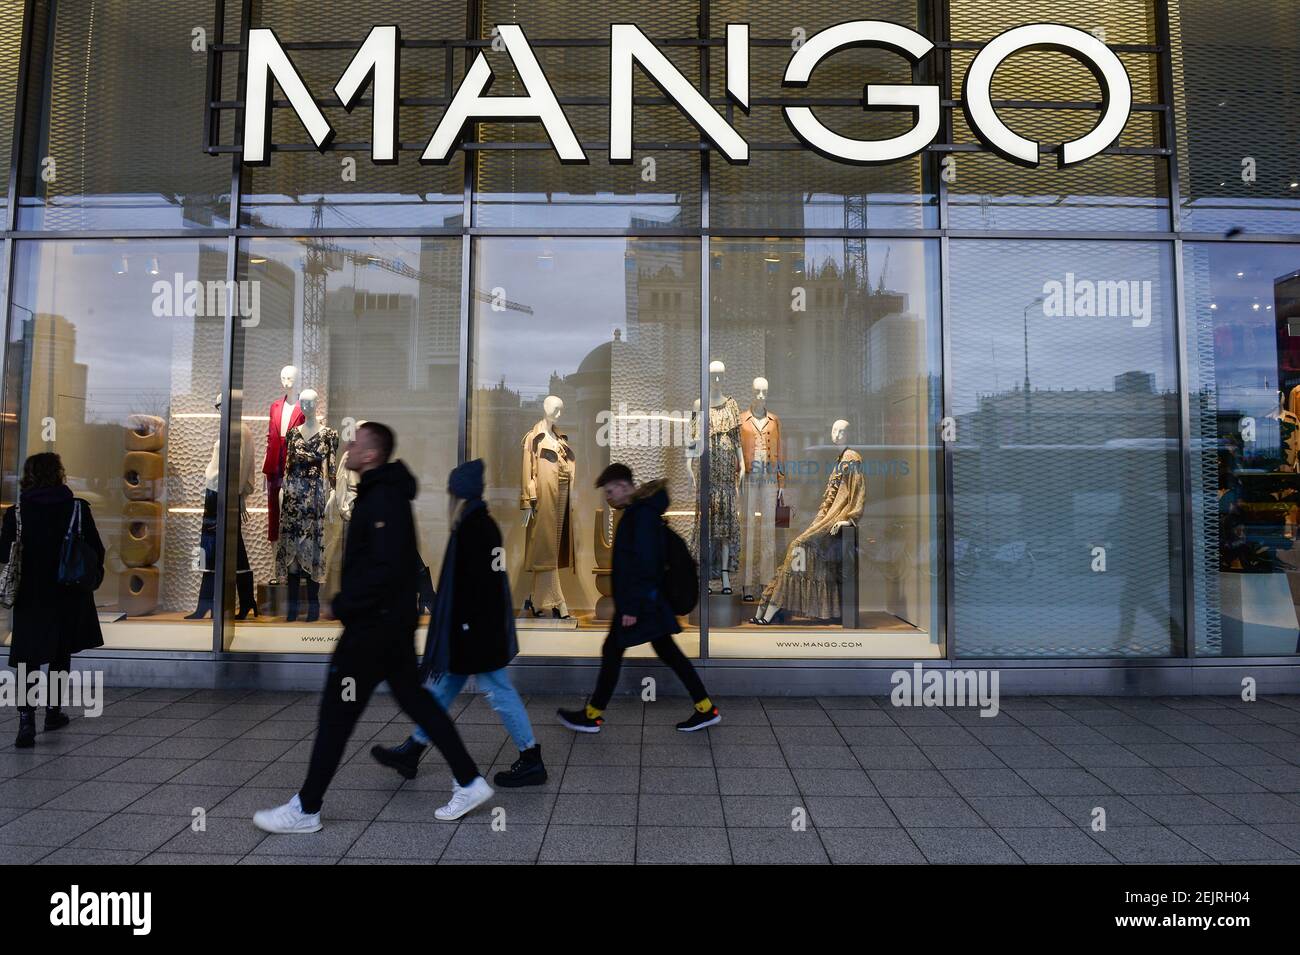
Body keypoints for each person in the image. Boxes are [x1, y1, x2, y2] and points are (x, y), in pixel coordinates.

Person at [254, 423, 493, 834]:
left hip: (373, 630)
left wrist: (343, 604)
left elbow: (384, 569)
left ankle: (306, 808)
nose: (348, 446)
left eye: (356, 442)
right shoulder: (384, 493)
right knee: (415, 701)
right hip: (388, 627)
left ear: (371, 454)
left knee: (336, 713)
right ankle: (470, 780)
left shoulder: (382, 498)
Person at [371, 458, 546, 787]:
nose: (448, 497)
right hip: (478, 629)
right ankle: (413, 748)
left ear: (460, 493)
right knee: (444, 687)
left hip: (476, 632)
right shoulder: (478, 523)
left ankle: (531, 756)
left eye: (451, 491)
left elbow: (477, 587)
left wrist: (463, 628)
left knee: (498, 689)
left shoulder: (473, 528)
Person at [557, 463, 720, 733]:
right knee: (665, 651)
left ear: (623, 487)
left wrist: (630, 607)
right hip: (646, 602)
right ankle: (705, 708)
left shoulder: (640, 515)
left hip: (641, 604)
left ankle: (592, 715)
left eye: (610, 492)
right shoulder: (638, 511)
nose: (609, 498)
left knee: (613, 651)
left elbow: (646, 565)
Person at [0, 453, 105, 748]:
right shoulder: (77, 509)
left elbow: (4, 553)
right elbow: (95, 549)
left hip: (30, 593)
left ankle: (25, 721)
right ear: (59, 474)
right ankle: (53, 712)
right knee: (60, 653)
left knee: (26, 657)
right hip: (67, 590)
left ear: (28, 476)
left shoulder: (17, 512)